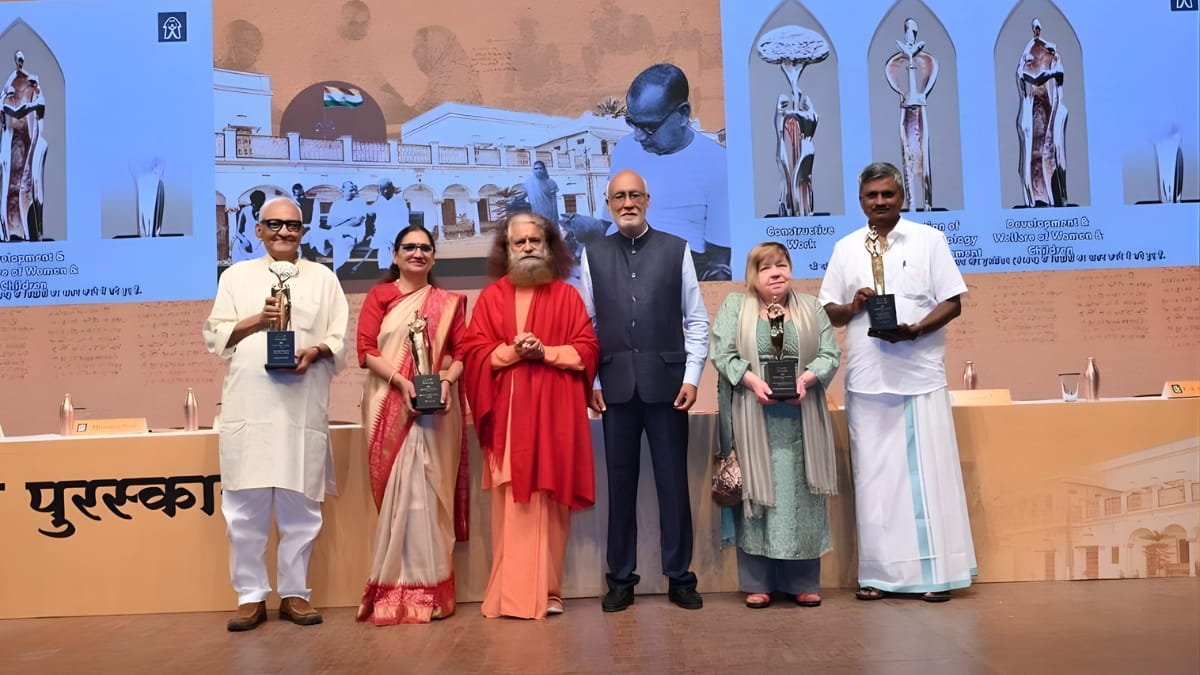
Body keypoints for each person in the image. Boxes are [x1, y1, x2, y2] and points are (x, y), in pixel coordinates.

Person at [817, 161, 976, 602]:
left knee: (930, 478)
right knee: (873, 482)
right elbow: (828, 312)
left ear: (902, 197)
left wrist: (917, 330)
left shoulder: (929, 240)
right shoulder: (846, 248)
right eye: (872, 196)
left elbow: (953, 302)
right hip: (868, 379)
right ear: (860, 201)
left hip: (920, 374)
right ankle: (877, 576)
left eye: (888, 194)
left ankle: (938, 575)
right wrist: (853, 306)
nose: (880, 202)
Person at [203, 196, 349, 631]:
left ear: (303, 232)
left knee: (300, 508)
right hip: (250, 406)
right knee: (244, 510)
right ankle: (250, 596)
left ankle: (294, 594)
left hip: (299, 407)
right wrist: (257, 320)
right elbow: (215, 336)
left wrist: (315, 350)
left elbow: (339, 338)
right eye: (275, 224)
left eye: (293, 225)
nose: (284, 231)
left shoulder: (323, 278)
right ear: (258, 230)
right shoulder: (236, 276)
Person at [580, 169, 709, 612]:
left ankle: (680, 577)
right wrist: (593, 380)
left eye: (635, 195)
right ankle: (620, 578)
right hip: (615, 389)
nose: (627, 203)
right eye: (619, 197)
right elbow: (587, 325)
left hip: (669, 388)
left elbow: (696, 320)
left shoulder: (676, 249)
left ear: (648, 200)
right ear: (608, 204)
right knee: (620, 488)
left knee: (673, 486)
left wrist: (692, 376)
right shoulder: (593, 253)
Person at [461, 211, 598, 620]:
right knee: (511, 506)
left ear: (548, 246)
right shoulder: (491, 297)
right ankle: (509, 593)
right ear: (506, 250)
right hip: (508, 421)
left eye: (534, 241)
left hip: (554, 419)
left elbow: (587, 351)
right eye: (518, 242)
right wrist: (512, 351)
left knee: (551, 505)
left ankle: (550, 591)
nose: (527, 248)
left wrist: (545, 352)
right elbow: (474, 353)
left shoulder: (567, 297)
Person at [710, 242, 840, 609]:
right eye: (765, 267)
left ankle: (803, 583)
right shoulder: (735, 307)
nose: (775, 273)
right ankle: (759, 583)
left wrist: (806, 381)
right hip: (752, 417)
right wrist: (753, 382)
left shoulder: (811, 307)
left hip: (802, 418)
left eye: (781, 265)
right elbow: (722, 354)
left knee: (801, 497)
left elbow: (830, 354)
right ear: (752, 274)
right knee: (757, 499)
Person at [355, 224, 469, 625]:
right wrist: (401, 383)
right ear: (395, 255)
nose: (417, 253)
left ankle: (431, 591)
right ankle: (393, 589)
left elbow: (462, 353)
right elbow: (365, 349)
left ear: (434, 257)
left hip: (437, 408)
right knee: (399, 495)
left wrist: (447, 381)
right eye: (409, 247)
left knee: (427, 496)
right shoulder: (380, 296)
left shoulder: (448, 302)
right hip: (389, 401)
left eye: (425, 247)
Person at [610, 63, 730, 281]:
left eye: (649, 127)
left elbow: (719, 262)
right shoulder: (624, 149)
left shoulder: (718, 164)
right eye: (632, 123)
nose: (638, 136)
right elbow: (607, 223)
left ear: (683, 114)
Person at [1, 50, 47, 242]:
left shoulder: (37, 98)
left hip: (31, 148)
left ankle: (34, 232)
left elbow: (26, 110)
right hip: (12, 150)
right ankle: (11, 230)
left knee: (31, 188)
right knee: (10, 190)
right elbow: (14, 111)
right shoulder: (6, 104)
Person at [316, 180, 367, 275]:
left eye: (353, 190)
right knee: (315, 234)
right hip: (337, 231)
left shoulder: (360, 203)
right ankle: (328, 260)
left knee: (341, 241)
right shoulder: (337, 204)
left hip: (353, 233)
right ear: (343, 191)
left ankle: (337, 271)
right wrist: (348, 218)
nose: (352, 192)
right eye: (350, 190)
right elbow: (330, 222)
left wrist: (339, 222)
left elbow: (357, 222)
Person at [369, 179, 411, 272]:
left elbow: (403, 220)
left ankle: (396, 269)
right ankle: (384, 269)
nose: (385, 191)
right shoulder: (380, 200)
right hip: (382, 231)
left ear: (392, 189)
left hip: (397, 231)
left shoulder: (399, 201)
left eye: (387, 188)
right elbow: (371, 211)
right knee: (383, 248)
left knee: (395, 248)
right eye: (382, 189)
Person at [521, 160, 559, 227]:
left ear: (544, 169)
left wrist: (554, 216)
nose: (538, 170)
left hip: (548, 213)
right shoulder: (528, 183)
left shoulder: (550, 182)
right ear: (533, 170)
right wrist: (513, 198)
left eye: (541, 168)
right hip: (535, 213)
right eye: (536, 168)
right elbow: (523, 194)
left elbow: (554, 202)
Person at [231, 190, 266, 262]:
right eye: (256, 205)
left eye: (261, 205)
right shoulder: (245, 211)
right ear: (252, 204)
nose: (258, 207)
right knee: (237, 244)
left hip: (260, 244)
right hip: (245, 243)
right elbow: (238, 232)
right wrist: (245, 242)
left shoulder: (266, 212)